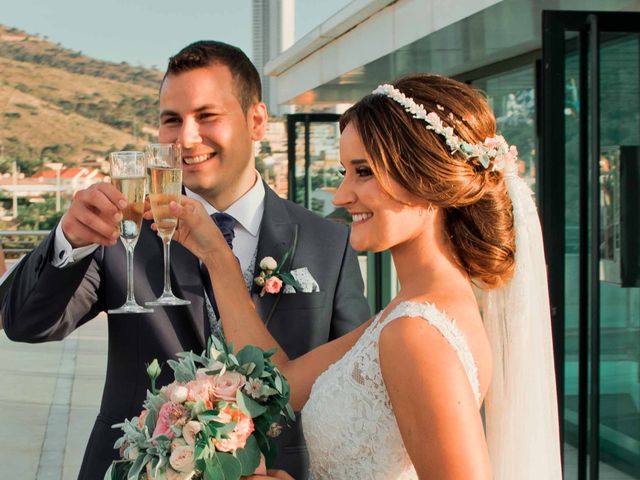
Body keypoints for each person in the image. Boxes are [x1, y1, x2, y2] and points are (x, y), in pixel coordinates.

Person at [1, 41, 369, 480]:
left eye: (207, 116)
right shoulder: (121, 232)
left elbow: (352, 393)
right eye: (171, 120)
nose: (186, 138)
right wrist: (68, 239)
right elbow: (24, 323)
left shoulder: (328, 243)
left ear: (256, 121)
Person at [168, 74, 563, 479]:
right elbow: (281, 381)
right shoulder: (414, 310)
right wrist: (215, 253)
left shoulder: (416, 331)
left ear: (424, 178)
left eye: (363, 172)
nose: (340, 196)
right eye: (344, 172)